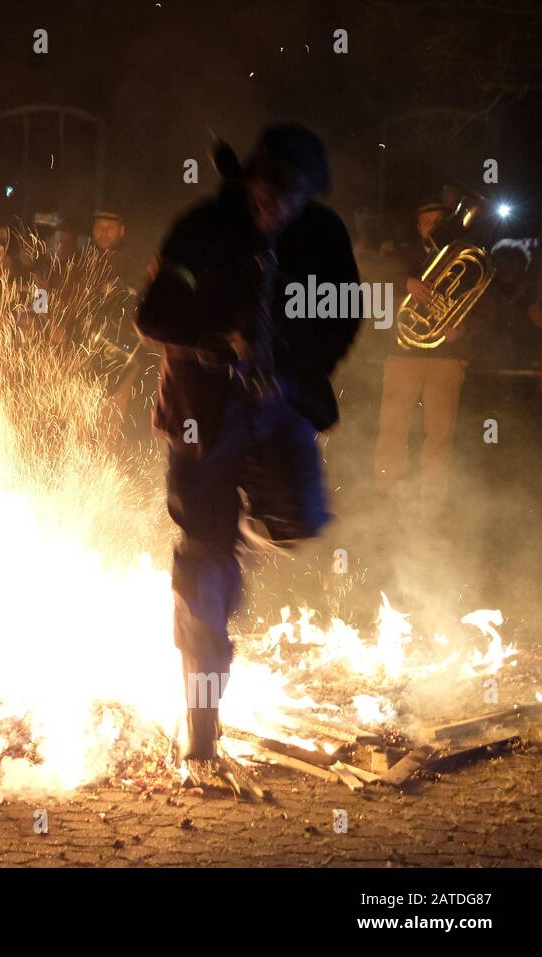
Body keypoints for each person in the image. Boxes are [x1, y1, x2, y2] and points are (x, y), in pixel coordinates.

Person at [136, 124, 360, 791]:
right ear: (251, 181)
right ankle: (201, 723)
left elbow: (343, 313)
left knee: (301, 520)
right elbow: (153, 314)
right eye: (269, 192)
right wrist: (212, 337)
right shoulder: (201, 228)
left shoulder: (320, 236)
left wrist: (294, 364)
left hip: (278, 404)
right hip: (202, 412)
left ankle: (242, 542)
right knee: (203, 559)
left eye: (293, 197)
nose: (278, 207)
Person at [371, 200, 477, 512]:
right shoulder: (403, 254)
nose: (431, 226)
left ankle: (433, 499)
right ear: (418, 227)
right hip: (402, 354)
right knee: (392, 426)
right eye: (426, 221)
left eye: (437, 221)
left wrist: (463, 329)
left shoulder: (465, 258)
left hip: (446, 357)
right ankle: (385, 491)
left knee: (440, 434)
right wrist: (406, 282)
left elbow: (486, 308)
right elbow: (373, 280)